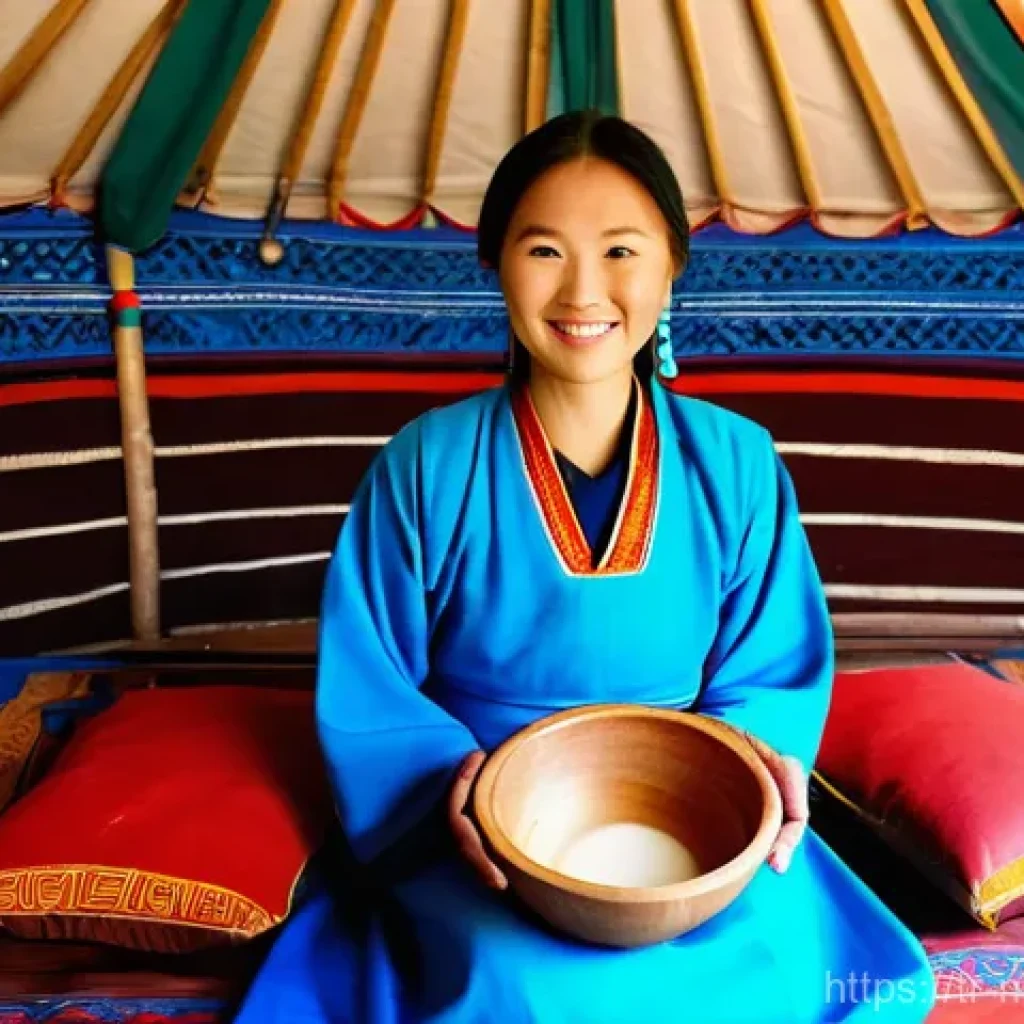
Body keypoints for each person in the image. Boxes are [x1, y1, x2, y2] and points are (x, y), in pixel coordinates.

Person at [234, 111, 935, 1023]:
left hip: (693, 812)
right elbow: (372, 686)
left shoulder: (738, 462)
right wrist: (461, 793)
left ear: (672, 265)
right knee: (525, 987)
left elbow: (772, 669)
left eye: (619, 251)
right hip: (485, 825)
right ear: (494, 265)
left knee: (763, 967)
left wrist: (745, 777)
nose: (583, 290)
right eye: (544, 251)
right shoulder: (421, 464)